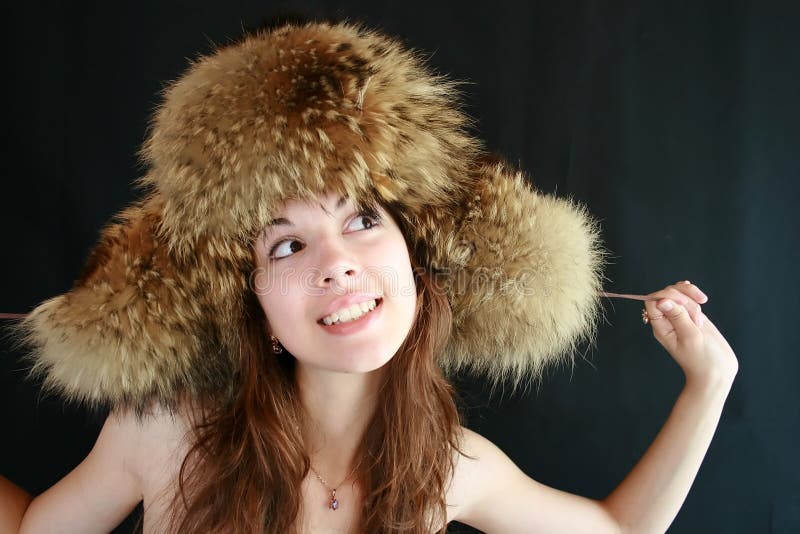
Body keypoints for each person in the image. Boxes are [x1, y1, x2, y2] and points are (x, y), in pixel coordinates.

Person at [2, 21, 737, 533]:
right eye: (286, 247)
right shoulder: (164, 431)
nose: (338, 264)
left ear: (415, 258)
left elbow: (615, 532)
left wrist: (710, 385)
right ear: (252, 300)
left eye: (361, 220)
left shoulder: (450, 470)